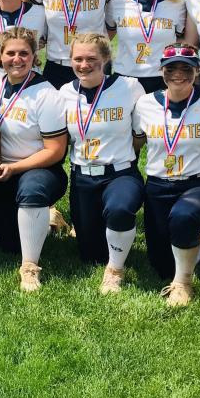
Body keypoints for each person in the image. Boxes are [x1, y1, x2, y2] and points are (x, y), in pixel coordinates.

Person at [132, 44, 200, 307]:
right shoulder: (145, 104)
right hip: (158, 186)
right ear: (161, 70)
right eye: (170, 68)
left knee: (184, 218)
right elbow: (135, 144)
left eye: (186, 68)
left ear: (197, 70)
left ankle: (183, 283)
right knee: (162, 265)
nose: (178, 74)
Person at [0, 28, 68, 291]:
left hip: (38, 168)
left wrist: (16, 167)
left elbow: (55, 150)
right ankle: (51, 221)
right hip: (0, 170)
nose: (17, 59)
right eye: (11, 53)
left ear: (34, 56)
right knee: (7, 245)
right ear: (0, 55)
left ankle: (30, 267)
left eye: (24, 53)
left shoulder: (46, 94)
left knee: (31, 190)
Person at [58, 33, 144, 294]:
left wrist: (121, 155)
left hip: (119, 173)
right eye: (78, 59)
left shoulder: (129, 87)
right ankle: (60, 223)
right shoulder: (64, 93)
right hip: (82, 176)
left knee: (119, 210)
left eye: (92, 58)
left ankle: (115, 270)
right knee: (90, 254)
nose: (84, 64)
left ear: (106, 59)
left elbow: (139, 137)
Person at [107, 0, 187, 93]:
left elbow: (184, 41)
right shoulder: (117, 1)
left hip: (163, 81)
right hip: (123, 80)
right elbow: (105, 38)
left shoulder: (179, 3)